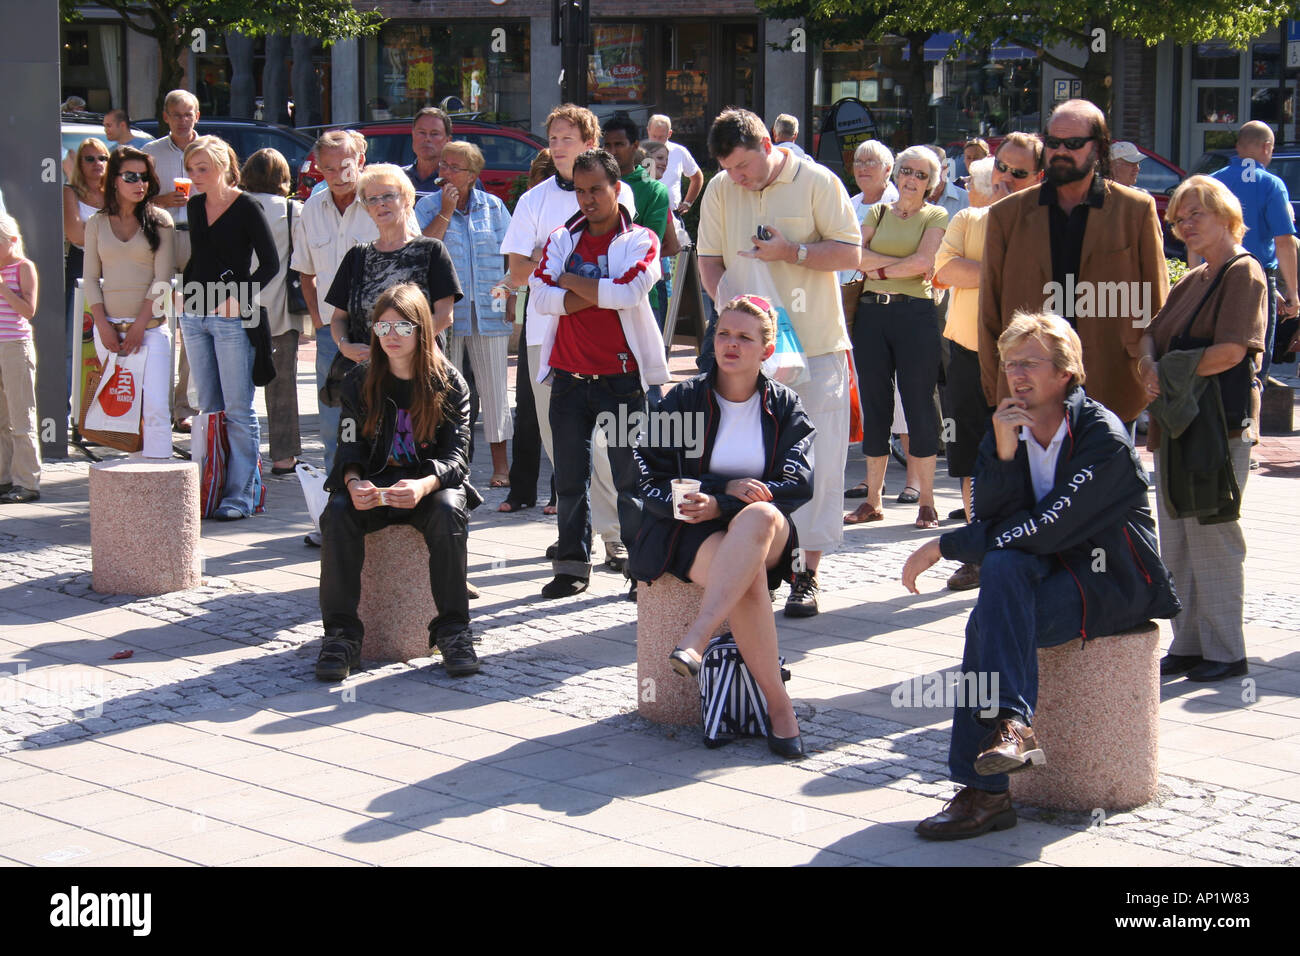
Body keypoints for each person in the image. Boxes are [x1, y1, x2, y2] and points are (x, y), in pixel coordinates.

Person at [904, 312, 1179, 840]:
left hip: (1110, 585)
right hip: (1040, 576)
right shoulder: (1005, 426)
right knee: (1003, 568)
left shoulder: (1103, 434)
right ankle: (1011, 731)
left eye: (1030, 363)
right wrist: (1006, 454)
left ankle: (984, 792)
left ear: (1066, 370)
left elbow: (1049, 527)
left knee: (988, 622)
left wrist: (945, 544)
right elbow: (994, 522)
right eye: (1009, 365)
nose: (1016, 376)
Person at [631, 294, 814, 758]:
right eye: (724, 333)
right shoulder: (685, 399)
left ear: (766, 350)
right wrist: (716, 492)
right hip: (690, 530)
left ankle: (698, 634)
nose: (730, 344)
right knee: (746, 578)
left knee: (761, 515)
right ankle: (780, 708)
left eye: (744, 337)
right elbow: (643, 472)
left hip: (766, 531)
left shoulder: (785, 405)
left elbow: (797, 483)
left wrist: (724, 505)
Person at [696, 107, 861, 617]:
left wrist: (794, 253)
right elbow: (709, 260)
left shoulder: (818, 180)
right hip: (748, 353)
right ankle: (761, 565)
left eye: (744, 166)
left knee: (820, 460)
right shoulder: (722, 188)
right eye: (729, 169)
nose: (738, 178)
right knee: (749, 459)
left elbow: (851, 254)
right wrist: (733, 324)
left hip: (814, 346)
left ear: (768, 143)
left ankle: (807, 573)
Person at [317, 283, 479, 682]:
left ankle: (453, 630)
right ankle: (341, 635)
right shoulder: (359, 381)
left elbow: (457, 460)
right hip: (377, 484)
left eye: (403, 327)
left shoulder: (449, 383)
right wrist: (353, 482)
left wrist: (424, 485)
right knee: (337, 512)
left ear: (422, 330)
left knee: (447, 512)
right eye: (382, 327)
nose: (391, 336)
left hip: (429, 486)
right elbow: (349, 446)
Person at [1140, 176, 1267, 682]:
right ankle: (1188, 643)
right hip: (1176, 425)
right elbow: (1151, 334)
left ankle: (1225, 651)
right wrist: (1150, 365)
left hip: (1218, 426)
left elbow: (1232, 352)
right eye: (1179, 219)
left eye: (1197, 215)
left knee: (1214, 538)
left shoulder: (1245, 272)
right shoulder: (1194, 278)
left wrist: (1164, 368)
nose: (1186, 225)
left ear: (1227, 217)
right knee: (1178, 540)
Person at [499, 105, 637, 570]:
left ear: (589, 142)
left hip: (608, 340)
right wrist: (564, 272)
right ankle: (577, 539)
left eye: (566, 138)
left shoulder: (618, 191)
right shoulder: (534, 199)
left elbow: (616, 274)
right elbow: (518, 272)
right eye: (552, 138)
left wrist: (555, 268)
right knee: (563, 446)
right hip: (547, 336)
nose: (557, 146)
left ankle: (615, 535)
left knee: (610, 447)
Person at [529, 148, 669, 599]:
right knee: (569, 481)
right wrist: (600, 290)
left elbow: (631, 291)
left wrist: (569, 281)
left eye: (596, 190)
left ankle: (642, 570)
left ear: (616, 189)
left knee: (631, 483)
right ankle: (571, 568)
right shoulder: (560, 238)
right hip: (568, 379)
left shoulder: (642, 238)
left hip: (621, 380)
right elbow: (540, 298)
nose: (587, 199)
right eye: (579, 190)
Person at [979, 100, 1169, 429]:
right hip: (1029, 386)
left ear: (1100, 147)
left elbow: (1156, 303)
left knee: (1104, 480)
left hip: (1113, 383)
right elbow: (989, 312)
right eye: (1053, 143)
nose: (1061, 151)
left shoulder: (1135, 210)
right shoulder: (1007, 215)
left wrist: (1151, 371)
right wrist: (995, 387)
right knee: (1032, 481)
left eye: (1074, 144)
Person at [843, 145, 949, 530]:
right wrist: (890, 269)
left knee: (919, 402)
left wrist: (880, 268)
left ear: (931, 183)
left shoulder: (936, 214)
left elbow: (925, 262)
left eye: (921, 175)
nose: (912, 179)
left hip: (915, 314)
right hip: (872, 314)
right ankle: (873, 499)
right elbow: (856, 255)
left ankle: (926, 501)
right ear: (897, 173)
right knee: (875, 402)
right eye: (907, 170)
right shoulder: (878, 211)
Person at [180, 135, 279, 521]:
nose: (195, 176)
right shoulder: (193, 204)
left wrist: (240, 297)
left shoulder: (247, 206)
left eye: (202, 169)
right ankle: (215, 485)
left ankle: (242, 493)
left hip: (233, 317)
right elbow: (200, 259)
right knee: (209, 407)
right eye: (191, 169)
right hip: (194, 312)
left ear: (223, 165)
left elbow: (270, 263)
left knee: (239, 409)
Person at [290, 129, 376, 531]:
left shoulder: (381, 198)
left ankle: (377, 510)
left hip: (380, 330)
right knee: (332, 423)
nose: (337, 174)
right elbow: (306, 274)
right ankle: (335, 516)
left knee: (380, 418)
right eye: (327, 168)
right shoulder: (311, 209)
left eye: (345, 165)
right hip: (330, 333)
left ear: (360, 159)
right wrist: (322, 326)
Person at [415, 141, 514, 487]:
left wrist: (511, 297)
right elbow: (422, 251)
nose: (444, 173)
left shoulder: (494, 207)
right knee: (445, 390)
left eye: (453, 167)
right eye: (442, 165)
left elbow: (511, 257)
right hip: (445, 315)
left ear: (472, 175)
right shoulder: (427, 206)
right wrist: (445, 210)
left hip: (489, 311)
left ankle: (501, 467)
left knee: (494, 391)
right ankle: (451, 463)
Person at [324, 163, 461, 389]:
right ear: (367, 208)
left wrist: (394, 350)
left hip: (417, 374)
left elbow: (445, 316)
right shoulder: (357, 256)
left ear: (407, 200)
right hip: (366, 377)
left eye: (388, 195)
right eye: (373, 199)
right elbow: (339, 318)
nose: (381, 204)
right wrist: (344, 345)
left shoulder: (431, 251)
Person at [932, 155, 1001, 590]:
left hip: (1019, 357)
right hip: (965, 351)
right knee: (967, 454)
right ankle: (976, 552)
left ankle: (1010, 548)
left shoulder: (1033, 221)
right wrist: (1005, 274)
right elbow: (942, 270)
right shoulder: (969, 219)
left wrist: (977, 273)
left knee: (1020, 452)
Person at [82, 147, 176, 460]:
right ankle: (133, 485)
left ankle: (160, 477)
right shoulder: (96, 223)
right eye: (131, 176)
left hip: (150, 329)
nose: (140, 184)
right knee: (123, 411)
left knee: (156, 409)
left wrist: (138, 326)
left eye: (145, 177)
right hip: (108, 328)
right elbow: (91, 279)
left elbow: (163, 279)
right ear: (115, 180)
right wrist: (102, 324)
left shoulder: (160, 220)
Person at [1209, 120, 1299, 387]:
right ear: (1267, 147)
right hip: (1258, 278)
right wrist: (1293, 293)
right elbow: (1284, 241)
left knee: (1214, 347)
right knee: (1255, 356)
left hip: (1215, 274)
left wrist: (1196, 276)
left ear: (1238, 147)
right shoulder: (1271, 184)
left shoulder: (1213, 182)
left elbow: (1192, 240)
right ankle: (1248, 423)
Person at [498, 149, 558, 515]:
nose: (537, 185)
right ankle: (521, 491)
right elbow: (518, 269)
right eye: (535, 177)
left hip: (562, 326)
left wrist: (536, 257)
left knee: (559, 416)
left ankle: (558, 494)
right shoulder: (530, 206)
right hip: (531, 320)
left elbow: (540, 259)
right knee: (528, 409)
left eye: (543, 176)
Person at [241, 148, 306, 476]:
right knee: (282, 386)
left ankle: (237, 454)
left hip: (238, 307)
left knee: (236, 385)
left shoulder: (233, 207)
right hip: (280, 310)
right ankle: (283, 457)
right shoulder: (295, 211)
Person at [143, 90, 203, 431]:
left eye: (189, 114)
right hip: (163, 237)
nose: (183, 120)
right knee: (160, 320)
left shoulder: (211, 150)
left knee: (194, 322)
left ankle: (185, 407)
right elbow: (136, 197)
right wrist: (162, 200)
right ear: (166, 117)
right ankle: (156, 404)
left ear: (197, 116)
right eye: (177, 114)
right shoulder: (150, 153)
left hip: (199, 240)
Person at [64, 138, 108, 416]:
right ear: (80, 164)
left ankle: (100, 410)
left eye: (102, 158)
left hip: (112, 269)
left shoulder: (116, 192)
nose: (96, 164)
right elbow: (75, 236)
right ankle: (65, 411)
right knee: (73, 342)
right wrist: (106, 234)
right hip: (80, 267)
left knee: (105, 343)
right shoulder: (70, 192)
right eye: (89, 159)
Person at [0, 214, 40, 503]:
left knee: (21, 416)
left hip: (15, 345)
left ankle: (27, 482)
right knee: (2, 418)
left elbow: (28, 310)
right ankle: (5, 478)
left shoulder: (23, 267)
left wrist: (2, 287)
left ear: (12, 241)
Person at [647, 114, 704, 218]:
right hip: (645, 215)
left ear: (669, 134)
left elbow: (697, 177)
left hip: (673, 214)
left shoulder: (679, 151)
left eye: (661, 137)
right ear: (648, 131)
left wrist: (688, 203)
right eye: (654, 136)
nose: (657, 140)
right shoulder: (637, 153)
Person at [403, 107, 451, 199]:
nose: (427, 139)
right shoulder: (398, 178)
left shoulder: (460, 180)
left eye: (434, 134)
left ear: (448, 140)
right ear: (413, 135)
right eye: (422, 132)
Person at [926, 144, 970, 220]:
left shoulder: (966, 201)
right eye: (923, 174)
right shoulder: (909, 198)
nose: (929, 179)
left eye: (934, 171)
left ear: (946, 169)